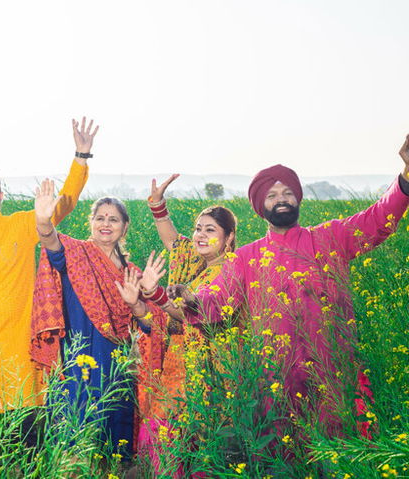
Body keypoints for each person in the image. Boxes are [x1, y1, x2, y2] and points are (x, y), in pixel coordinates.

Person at [181, 134, 409, 436]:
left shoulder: (330, 237)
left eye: (287, 192)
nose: (281, 199)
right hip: (277, 379)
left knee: (345, 450)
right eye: (272, 196)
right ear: (261, 206)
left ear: (298, 198)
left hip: (335, 371)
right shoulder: (246, 258)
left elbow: (377, 219)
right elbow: (215, 300)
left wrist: (406, 177)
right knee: (286, 456)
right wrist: (186, 298)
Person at [0, 118, 98, 414]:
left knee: (26, 425)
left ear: (1, 195)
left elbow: (63, 204)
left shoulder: (22, 225)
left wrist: (81, 158)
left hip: (18, 346)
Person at [30, 181, 166, 456]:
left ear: (125, 227)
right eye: (100, 218)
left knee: (112, 443)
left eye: (113, 219)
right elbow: (51, 242)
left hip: (116, 365)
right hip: (75, 360)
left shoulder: (134, 274)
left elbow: (153, 327)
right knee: (74, 435)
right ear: (90, 223)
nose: (106, 224)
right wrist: (44, 221)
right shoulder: (75, 254)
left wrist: (138, 302)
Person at [137, 175, 237, 475]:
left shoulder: (230, 271)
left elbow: (195, 312)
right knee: (167, 439)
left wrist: (156, 295)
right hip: (176, 367)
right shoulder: (196, 264)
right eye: (198, 229)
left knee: (196, 446)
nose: (200, 235)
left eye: (210, 230)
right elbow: (174, 242)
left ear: (229, 238)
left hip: (207, 372)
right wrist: (157, 205)